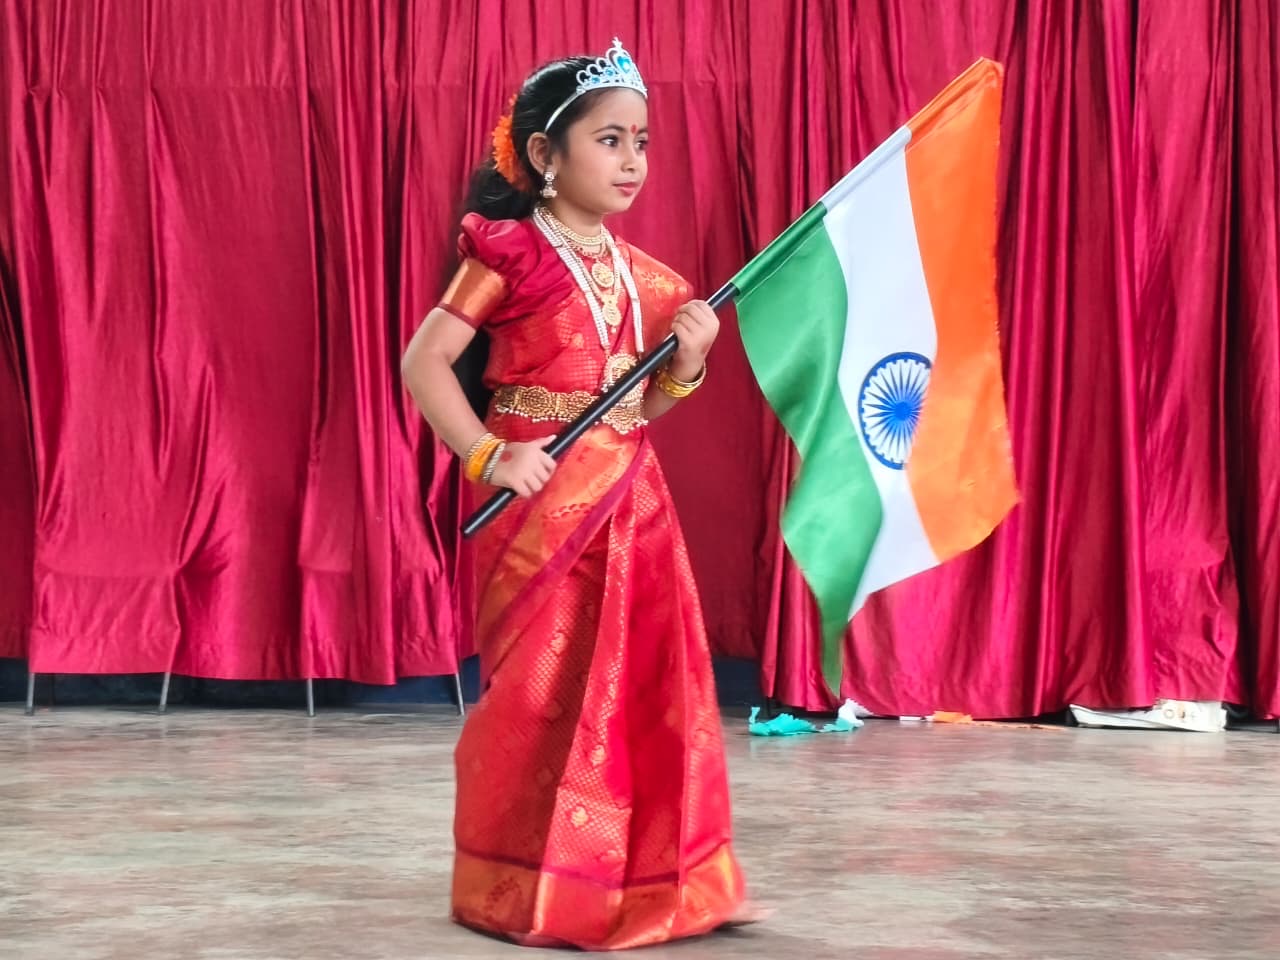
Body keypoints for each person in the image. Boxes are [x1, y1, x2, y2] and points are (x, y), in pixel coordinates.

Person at [401, 38, 746, 950]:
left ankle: (643, 881)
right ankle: (529, 887)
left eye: (642, 142)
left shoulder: (654, 282)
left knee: (644, 691)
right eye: (610, 140)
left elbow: (642, 405)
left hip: (635, 505)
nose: (632, 160)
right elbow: (425, 361)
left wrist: (690, 363)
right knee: (541, 696)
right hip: (538, 507)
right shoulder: (507, 252)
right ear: (544, 154)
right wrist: (486, 455)